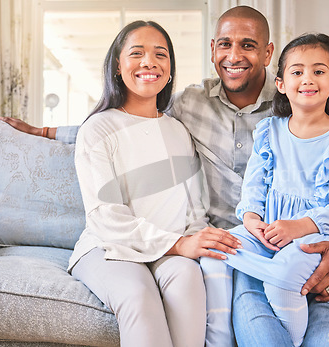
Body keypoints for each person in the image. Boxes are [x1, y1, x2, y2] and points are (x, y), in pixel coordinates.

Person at [0, 5, 329, 346]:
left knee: (326, 327)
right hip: (235, 247)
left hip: (308, 245)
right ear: (212, 51)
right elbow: (128, 124)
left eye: (248, 45)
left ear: (269, 54)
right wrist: (46, 132)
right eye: (225, 44)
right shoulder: (188, 105)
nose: (234, 55)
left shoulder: (301, 99)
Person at [66, 20, 241, 347]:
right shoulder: (98, 129)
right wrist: (178, 245)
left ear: (170, 69)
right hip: (109, 248)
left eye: (160, 54)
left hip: (171, 248)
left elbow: (193, 208)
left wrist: (196, 239)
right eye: (137, 53)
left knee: (189, 282)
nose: (149, 62)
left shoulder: (178, 129)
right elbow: (105, 218)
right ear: (118, 65)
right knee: (138, 297)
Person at [201, 32, 329, 346]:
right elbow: (254, 185)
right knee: (218, 249)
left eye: (319, 71)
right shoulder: (269, 131)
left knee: (288, 270)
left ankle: (291, 336)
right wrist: (251, 218)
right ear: (282, 84)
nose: (308, 79)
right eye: (297, 72)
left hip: (316, 236)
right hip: (269, 232)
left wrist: (300, 226)